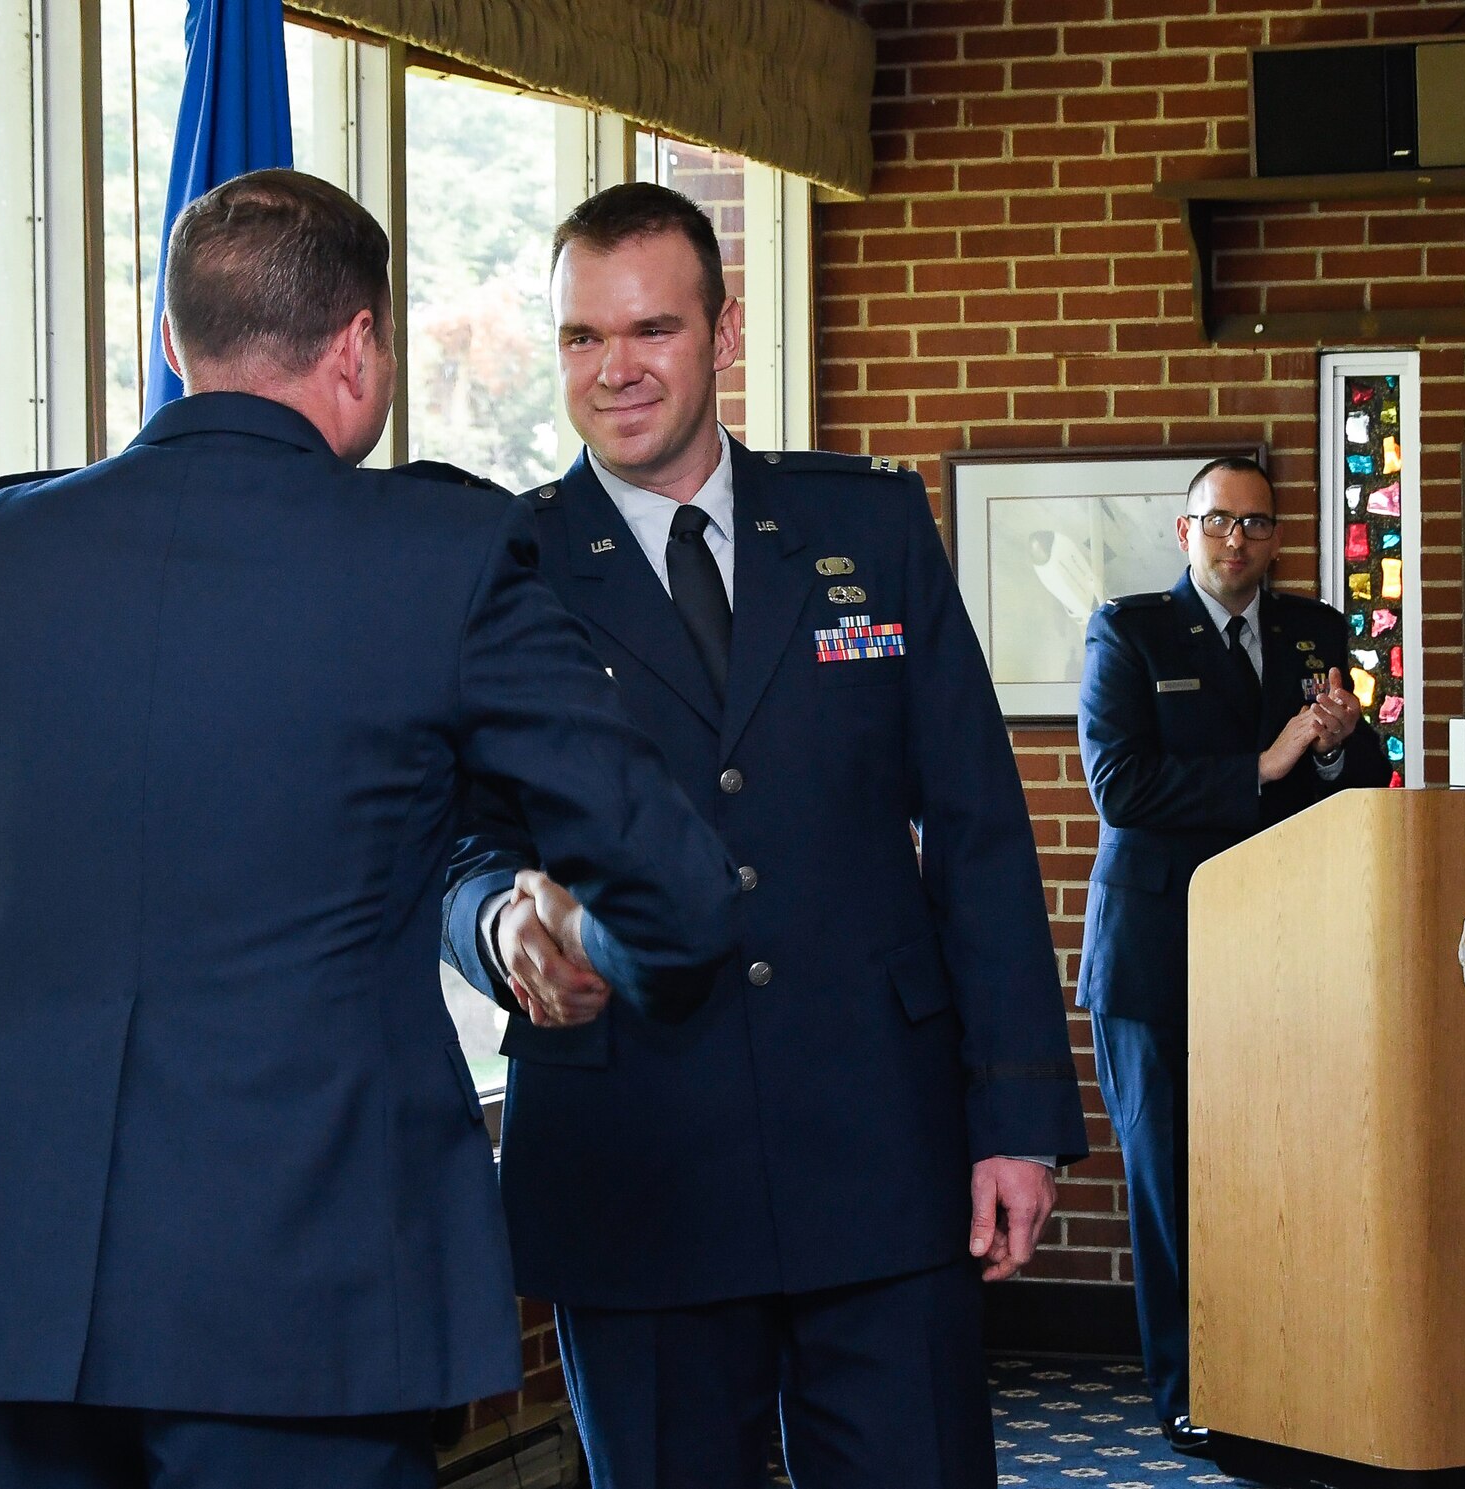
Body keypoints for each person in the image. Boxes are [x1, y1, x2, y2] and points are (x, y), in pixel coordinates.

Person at [0, 169, 741, 1489]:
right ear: (356, 348)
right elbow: (676, 883)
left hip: (15, 1293)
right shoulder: (443, 554)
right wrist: (609, 965)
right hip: (314, 1297)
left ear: (177, 345)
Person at [440, 182, 1087, 1489]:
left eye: (652, 329)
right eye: (580, 338)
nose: (614, 370)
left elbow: (972, 824)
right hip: (637, 1156)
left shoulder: (869, 527)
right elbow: (448, 840)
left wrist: (1015, 1117)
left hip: (878, 1146)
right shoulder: (504, 562)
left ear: (724, 339)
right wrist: (496, 919)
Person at [1075, 454, 1387, 1453]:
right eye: (1217, 522)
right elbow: (1119, 787)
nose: (1236, 541)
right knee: (1173, 1180)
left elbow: (1358, 779)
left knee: (1282, 1172)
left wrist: (1336, 743)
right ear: (1183, 531)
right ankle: (1191, 1389)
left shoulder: (1313, 632)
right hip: (1156, 952)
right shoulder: (1127, 630)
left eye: (1254, 525)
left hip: (1285, 951)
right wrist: (1262, 761)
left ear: (1276, 539)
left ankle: (1282, 1371)